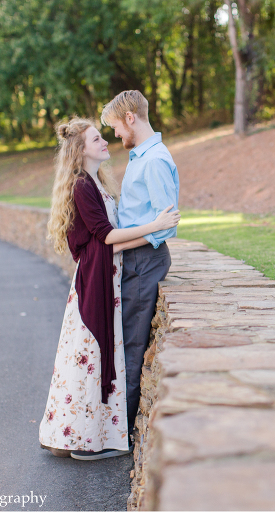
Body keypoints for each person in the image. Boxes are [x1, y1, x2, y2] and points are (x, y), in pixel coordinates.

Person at [39, 117, 180, 461]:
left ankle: (83, 436)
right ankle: (87, 444)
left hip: (104, 276)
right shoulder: (81, 186)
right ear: (80, 149)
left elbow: (105, 242)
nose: (105, 142)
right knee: (93, 357)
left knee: (92, 358)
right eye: (97, 139)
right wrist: (156, 226)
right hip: (96, 283)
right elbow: (105, 237)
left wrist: (149, 235)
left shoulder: (94, 181)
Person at [100, 91, 179, 439]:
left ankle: (120, 437)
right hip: (132, 260)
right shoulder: (139, 157)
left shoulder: (154, 161)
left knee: (132, 346)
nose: (115, 135)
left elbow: (167, 225)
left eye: (116, 127)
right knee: (124, 343)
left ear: (130, 118)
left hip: (144, 263)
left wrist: (116, 244)